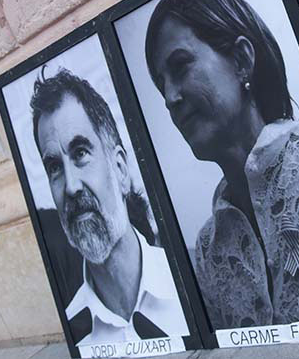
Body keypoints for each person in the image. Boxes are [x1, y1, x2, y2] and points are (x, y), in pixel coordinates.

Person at [144, 0, 299, 328]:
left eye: (181, 66)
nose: (170, 97)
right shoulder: (208, 250)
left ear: (242, 60)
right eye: (160, 84)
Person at [30, 69, 188, 344]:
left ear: (120, 169)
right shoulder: (75, 333)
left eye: (80, 153)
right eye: (55, 167)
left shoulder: (192, 282)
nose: (71, 186)